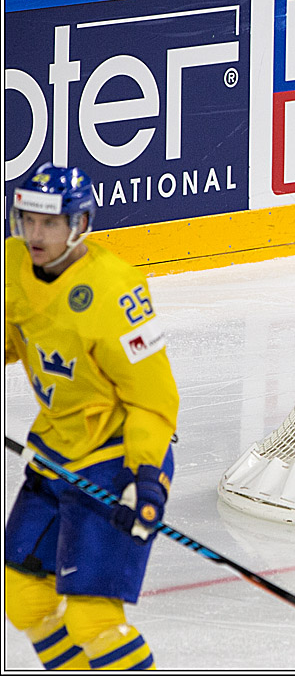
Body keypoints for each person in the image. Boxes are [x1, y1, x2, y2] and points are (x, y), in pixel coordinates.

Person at [5, 163, 179, 669]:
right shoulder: (12, 264)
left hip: (115, 460)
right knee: (26, 598)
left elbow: (154, 398)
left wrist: (147, 477)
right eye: (28, 220)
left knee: (93, 623)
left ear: (78, 224)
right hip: (56, 452)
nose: (35, 235)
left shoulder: (113, 291)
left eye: (50, 223)